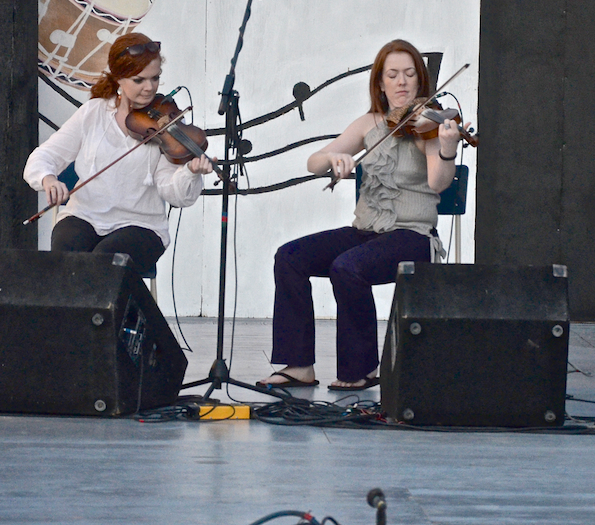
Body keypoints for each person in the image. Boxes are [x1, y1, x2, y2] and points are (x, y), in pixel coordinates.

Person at [257, 39, 465, 391]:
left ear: (420, 80)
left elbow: (438, 182)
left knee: (347, 266)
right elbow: (313, 162)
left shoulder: (429, 125)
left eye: (409, 74)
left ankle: (362, 369)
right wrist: (332, 159)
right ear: (380, 83)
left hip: (413, 237)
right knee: (289, 257)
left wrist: (446, 149)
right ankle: (299, 366)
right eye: (393, 75)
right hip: (367, 231)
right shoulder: (368, 123)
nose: (401, 82)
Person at [24, 32, 215, 274]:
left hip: (141, 225)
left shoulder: (166, 123)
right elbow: (45, 156)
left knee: (105, 264)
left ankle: (124, 302)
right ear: (118, 79)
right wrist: (48, 179)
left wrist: (189, 173)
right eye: (139, 80)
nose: (149, 88)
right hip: (85, 215)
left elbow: (173, 192)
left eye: (155, 78)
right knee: (66, 257)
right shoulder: (93, 113)